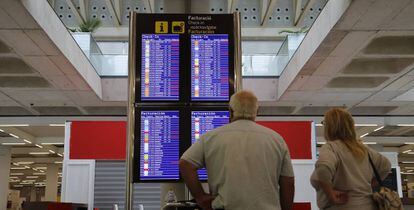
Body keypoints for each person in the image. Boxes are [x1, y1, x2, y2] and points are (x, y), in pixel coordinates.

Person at [180, 90, 295, 210]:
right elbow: (288, 182)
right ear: (257, 111)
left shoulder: (211, 137)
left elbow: (185, 164)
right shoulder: (276, 139)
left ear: (230, 111)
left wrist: (200, 197)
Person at [310, 108, 391, 210]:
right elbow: (386, 166)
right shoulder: (364, 150)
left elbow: (323, 167)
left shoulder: (331, 147)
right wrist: (369, 184)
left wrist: (330, 194)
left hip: (341, 206)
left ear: (330, 127)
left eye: (324, 123)